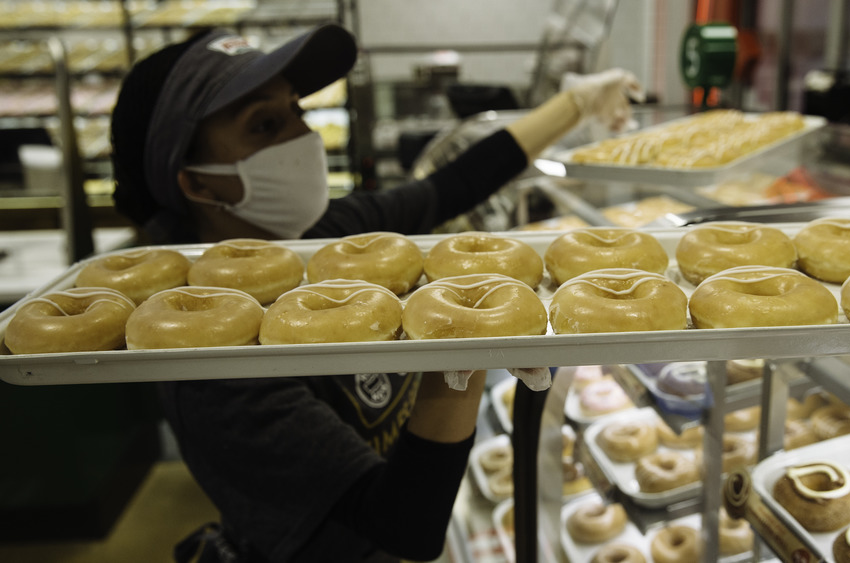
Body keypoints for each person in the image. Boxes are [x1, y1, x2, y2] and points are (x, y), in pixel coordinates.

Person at [109, 22, 641, 563]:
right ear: (197, 183)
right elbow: (403, 525)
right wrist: (467, 351)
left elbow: (450, 187)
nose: (302, 137)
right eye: (265, 124)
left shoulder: (322, 238)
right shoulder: (210, 368)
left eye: (297, 110)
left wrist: (575, 104)